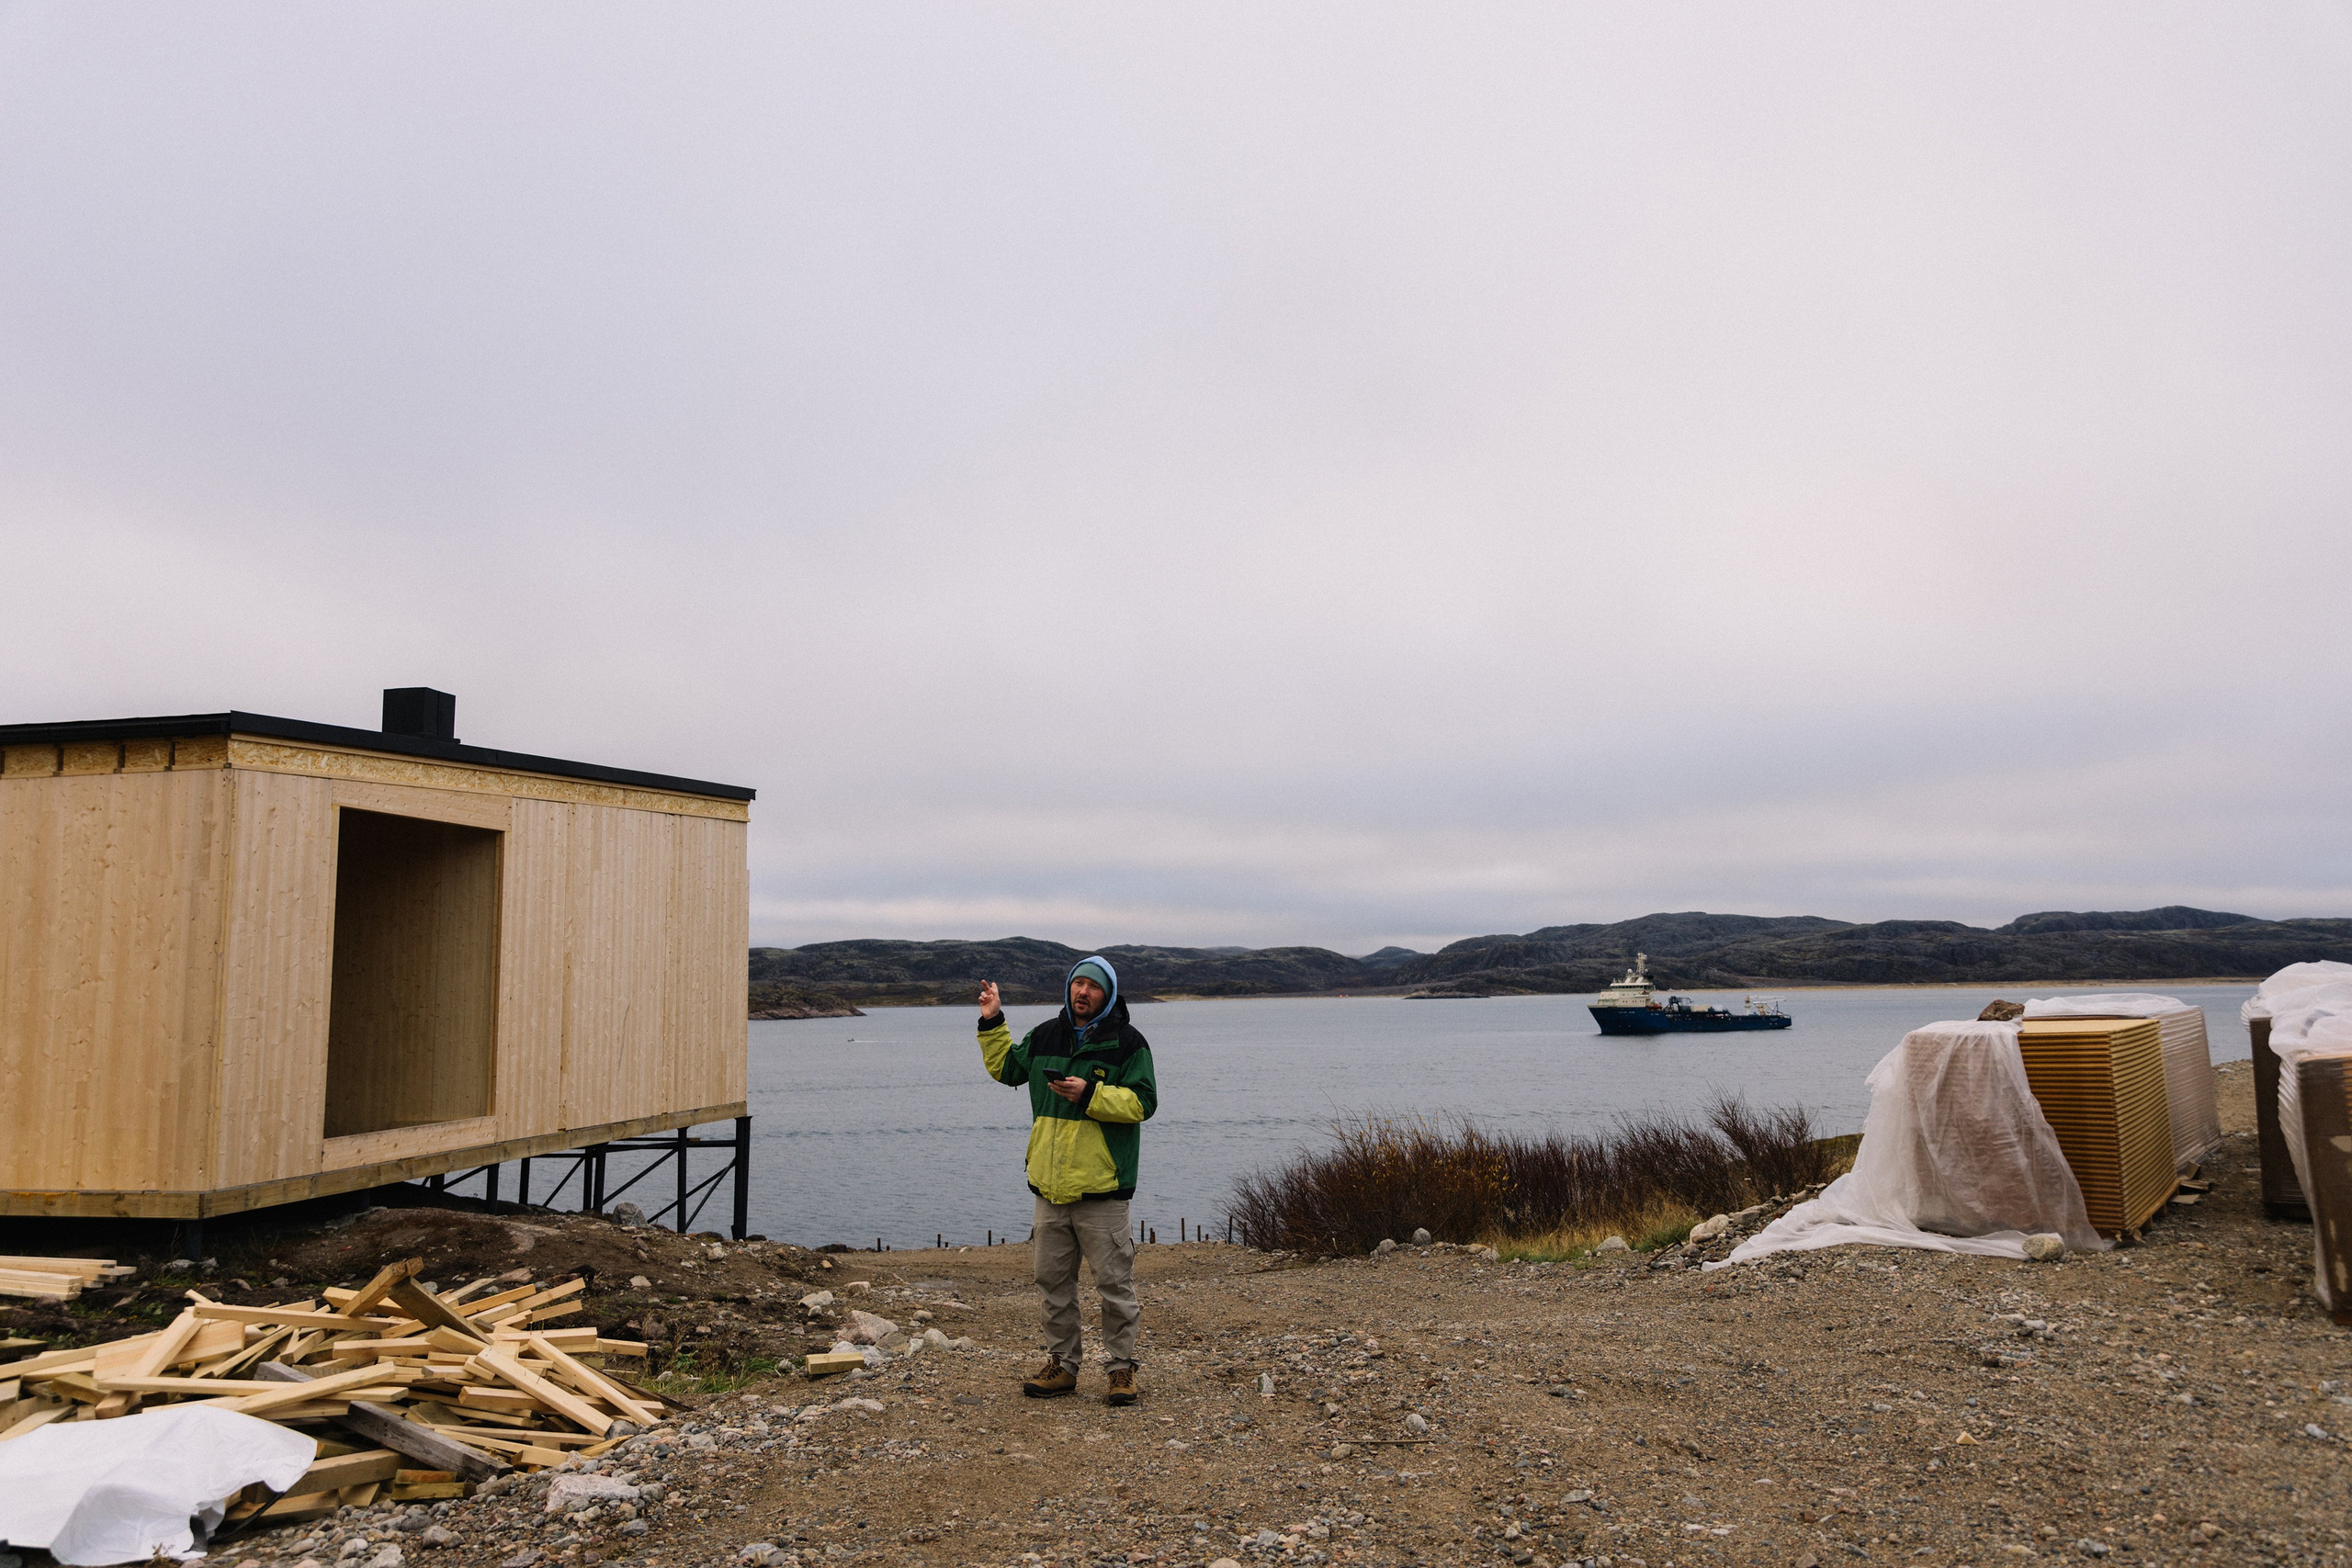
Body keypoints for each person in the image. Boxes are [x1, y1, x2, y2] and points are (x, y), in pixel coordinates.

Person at [977, 955, 1159, 1404]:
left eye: (1093, 987)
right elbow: (1006, 1070)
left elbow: (1143, 1103)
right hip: (1050, 1186)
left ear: (1108, 994)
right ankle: (1062, 1365)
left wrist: (1090, 1094)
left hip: (1103, 1188)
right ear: (1068, 989)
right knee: (1053, 1283)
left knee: (1114, 1285)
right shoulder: (1045, 1035)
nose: (1083, 992)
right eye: (1078, 984)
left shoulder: (1129, 1043)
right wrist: (992, 1020)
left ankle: (1120, 1370)